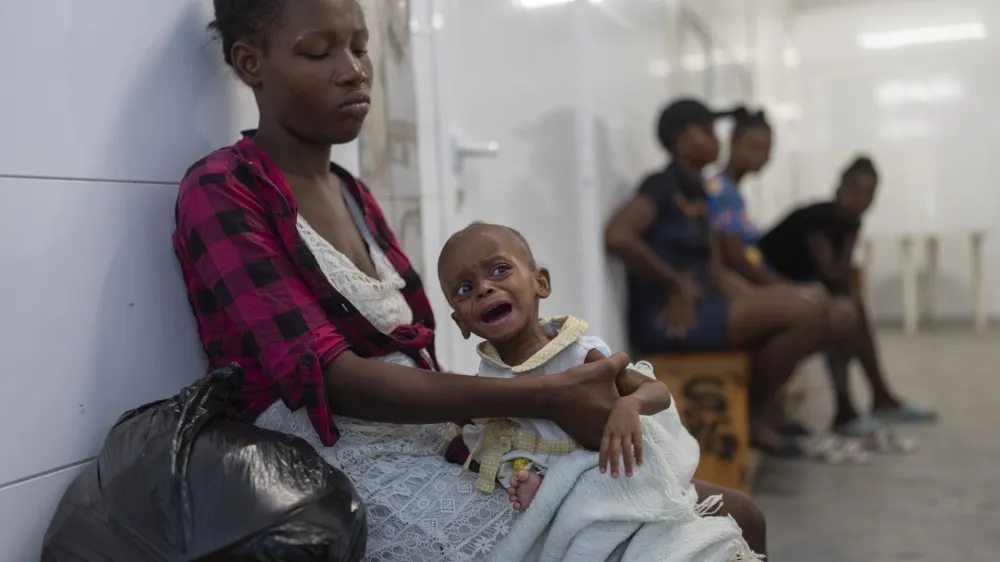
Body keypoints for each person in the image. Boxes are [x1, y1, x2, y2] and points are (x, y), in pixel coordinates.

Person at [172, 1, 766, 559]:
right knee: (690, 542)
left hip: (431, 438)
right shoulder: (224, 190)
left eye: (359, 47)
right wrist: (549, 397)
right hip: (336, 466)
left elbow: (415, 361)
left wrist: (547, 405)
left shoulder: (354, 196)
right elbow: (333, 381)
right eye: (317, 52)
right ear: (251, 62)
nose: (353, 72)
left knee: (737, 511)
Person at [605, 99, 830, 458]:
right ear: (681, 137)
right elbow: (618, 235)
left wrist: (762, 302)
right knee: (803, 312)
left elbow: (716, 271)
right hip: (671, 320)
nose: (717, 139)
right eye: (707, 131)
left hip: (706, 308)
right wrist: (674, 283)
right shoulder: (661, 185)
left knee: (813, 306)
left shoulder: (697, 191)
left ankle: (760, 409)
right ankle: (754, 414)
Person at [438, 222, 673, 511]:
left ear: (541, 283)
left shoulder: (575, 352)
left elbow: (658, 391)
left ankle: (549, 489)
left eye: (500, 270)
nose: (484, 288)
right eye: (465, 288)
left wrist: (630, 406)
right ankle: (537, 486)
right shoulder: (491, 367)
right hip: (529, 461)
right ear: (461, 322)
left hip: (591, 466)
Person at [758, 155, 937, 435]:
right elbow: (831, 273)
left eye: (869, 194)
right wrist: (848, 250)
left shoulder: (850, 223)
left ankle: (871, 400)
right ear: (840, 187)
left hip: (794, 287)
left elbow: (840, 281)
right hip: (764, 285)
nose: (861, 199)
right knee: (844, 315)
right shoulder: (818, 218)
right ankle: (858, 404)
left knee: (852, 312)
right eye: (855, 190)